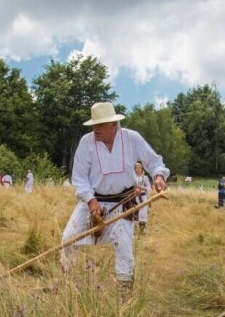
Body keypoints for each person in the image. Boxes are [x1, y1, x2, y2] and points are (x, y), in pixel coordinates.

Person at [60, 102, 169, 286]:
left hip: (123, 203)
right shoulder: (86, 142)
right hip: (92, 203)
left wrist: (158, 176)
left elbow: (154, 161)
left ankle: (124, 292)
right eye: (93, 125)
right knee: (68, 240)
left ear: (113, 125)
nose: (95, 129)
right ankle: (68, 283)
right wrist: (91, 202)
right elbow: (79, 177)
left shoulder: (132, 138)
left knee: (124, 248)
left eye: (100, 125)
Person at [133, 161, 151, 232]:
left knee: (143, 213)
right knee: (134, 212)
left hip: (143, 197)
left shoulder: (145, 178)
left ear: (142, 169)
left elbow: (149, 187)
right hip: (134, 197)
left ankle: (141, 231)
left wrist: (142, 188)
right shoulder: (132, 178)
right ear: (134, 169)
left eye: (140, 167)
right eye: (136, 168)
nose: (138, 169)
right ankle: (133, 231)